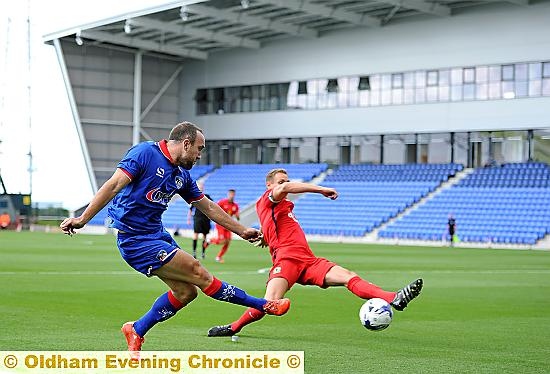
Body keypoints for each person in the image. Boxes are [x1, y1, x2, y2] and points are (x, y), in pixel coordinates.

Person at [59, 122, 290, 358]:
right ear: (186, 143)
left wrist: (242, 230)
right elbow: (114, 185)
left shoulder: (182, 175)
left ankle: (136, 329)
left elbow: (208, 207)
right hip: (135, 239)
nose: (200, 155)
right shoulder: (145, 153)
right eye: (199, 149)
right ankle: (264, 305)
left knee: (186, 293)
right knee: (197, 271)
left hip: (158, 235)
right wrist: (83, 218)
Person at [208, 168, 423, 337]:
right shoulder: (267, 199)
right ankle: (234, 327)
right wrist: (321, 189)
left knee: (348, 276)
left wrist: (266, 238)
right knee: (270, 303)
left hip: (309, 261)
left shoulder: (281, 209)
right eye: (281, 182)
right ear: (269, 185)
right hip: (288, 261)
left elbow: (274, 229)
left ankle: (394, 298)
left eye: (286, 180)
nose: (285, 184)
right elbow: (284, 192)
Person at [210, 189, 240, 263]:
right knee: (222, 241)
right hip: (221, 224)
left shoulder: (235, 205)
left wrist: (237, 216)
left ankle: (219, 257)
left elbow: (237, 217)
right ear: (228, 195)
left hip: (229, 225)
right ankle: (210, 240)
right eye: (230, 194)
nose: (232, 196)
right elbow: (215, 208)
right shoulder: (222, 202)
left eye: (233, 194)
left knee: (228, 242)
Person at [187, 183, 213, 259]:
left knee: (205, 236)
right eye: (199, 187)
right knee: (196, 234)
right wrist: (188, 219)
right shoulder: (194, 196)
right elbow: (191, 209)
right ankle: (194, 252)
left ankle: (203, 253)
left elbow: (212, 206)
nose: (201, 188)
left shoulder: (207, 197)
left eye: (202, 187)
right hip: (197, 218)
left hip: (206, 219)